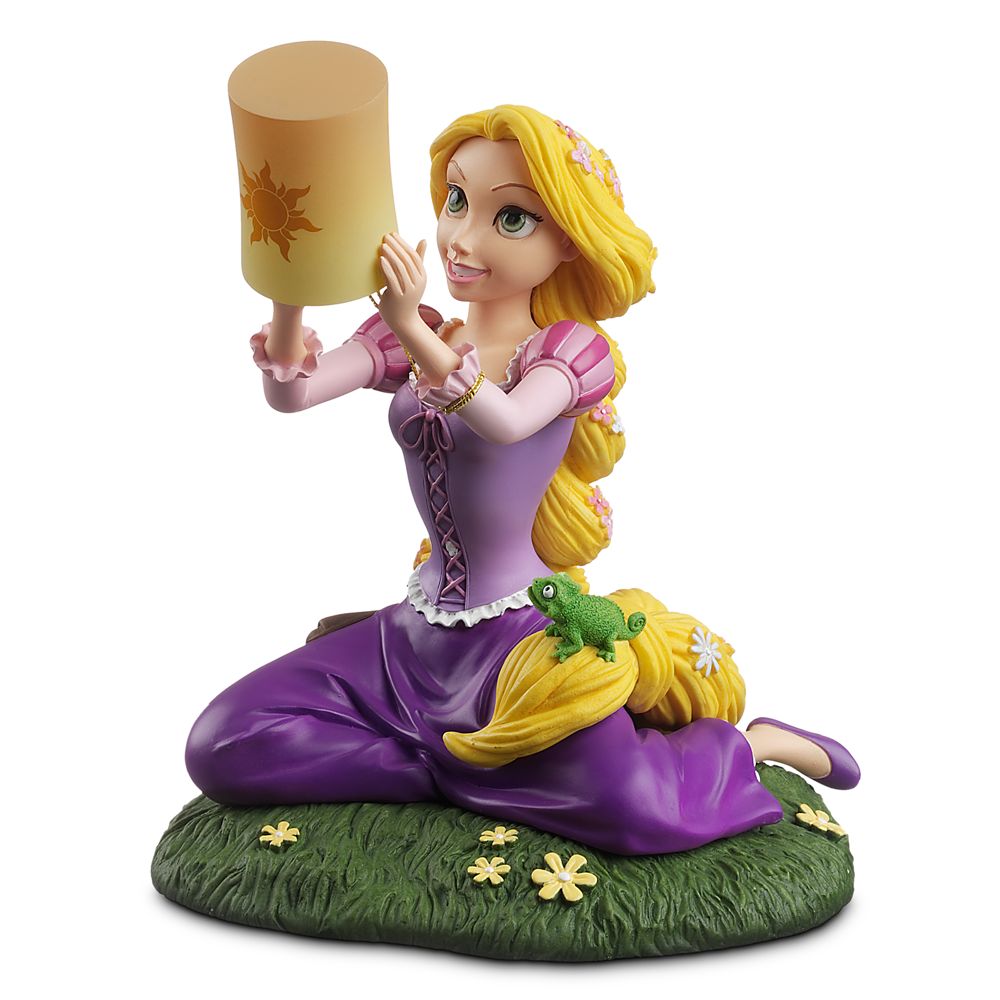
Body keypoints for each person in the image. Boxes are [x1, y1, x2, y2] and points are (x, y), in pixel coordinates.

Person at [186, 105, 859, 856]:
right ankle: (453, 766)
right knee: (226, 742)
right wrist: (288, 292)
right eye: (456, 201)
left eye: (510, 218)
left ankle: (756, 745)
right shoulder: (427, 331)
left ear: (567, 239)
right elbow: (295, 393)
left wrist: (410, 329)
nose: (462, 238)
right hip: (411, 638)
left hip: (513, 639)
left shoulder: (567, 352)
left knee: (634, 809)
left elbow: (505, 420)